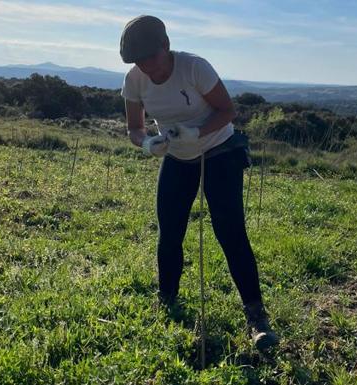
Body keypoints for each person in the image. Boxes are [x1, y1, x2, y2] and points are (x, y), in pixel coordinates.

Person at [119, 15, 278, 350]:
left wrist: (197, 132)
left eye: (153, 59)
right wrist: (147, 142)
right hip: (177, 156)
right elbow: (134, 127)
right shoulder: (134, 80)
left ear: (166, 46)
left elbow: (227, 110)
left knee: (230, 231)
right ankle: (167, 300)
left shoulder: (194, 68)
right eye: (140, 63)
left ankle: (256, 316)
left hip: (219, 149)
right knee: (170, 231)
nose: (149, 68)